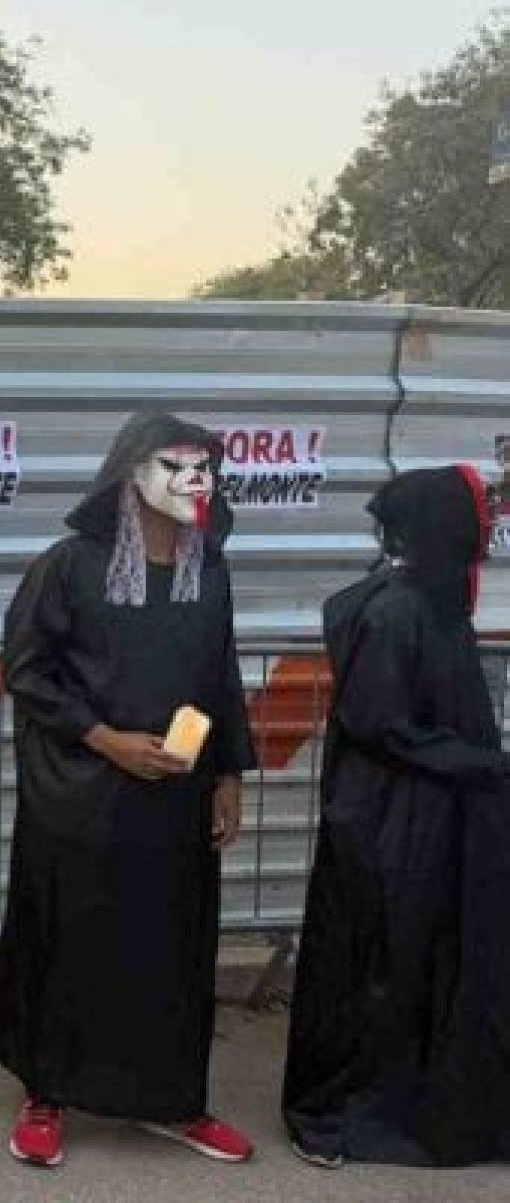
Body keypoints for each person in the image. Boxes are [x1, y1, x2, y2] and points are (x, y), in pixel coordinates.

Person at [0, 409, 256, 1169]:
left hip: (174, 798)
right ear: (132, 473)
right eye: (177, 464)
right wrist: (105, 739)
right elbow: (26, 669)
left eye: (206, 466)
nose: (195, 479)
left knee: (172, 948)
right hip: (81, 796)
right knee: (69, 942)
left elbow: (219, 675)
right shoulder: (70, 565)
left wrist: (228, 772)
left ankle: (175, 1100)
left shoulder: (213, 570)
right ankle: (46, 1093)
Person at [283, 465, 510, 1169]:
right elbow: (384, 725)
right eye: (482, 515)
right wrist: (483, 764)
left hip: (429, 818)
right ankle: (355, 1111)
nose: (492, 529)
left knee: (428, 959)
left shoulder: (433, 601)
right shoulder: (395, 610)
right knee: (382, 963)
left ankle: (430, 1097)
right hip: (389, 824)